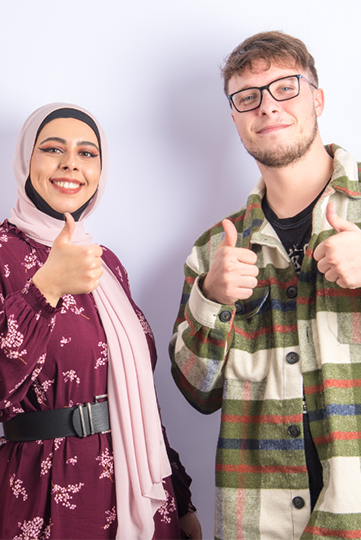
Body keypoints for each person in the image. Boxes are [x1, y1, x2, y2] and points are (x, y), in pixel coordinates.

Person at [0, 103, 201, 540]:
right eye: (53, 148)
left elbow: (137, 395)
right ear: (26, 160)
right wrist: (44, 289)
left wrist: (180, 494)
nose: (70, 164)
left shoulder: (105, 264)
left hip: (141, 491)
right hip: (46, 488)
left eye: (87, 153)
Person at [170, 31, 361, 539]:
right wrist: (211, 299)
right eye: (248, 97)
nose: (268, 106)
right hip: (258, 523)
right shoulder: (214, 249)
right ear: (235, 118)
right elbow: (197, 393)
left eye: (285, 88)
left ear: (318, 98)